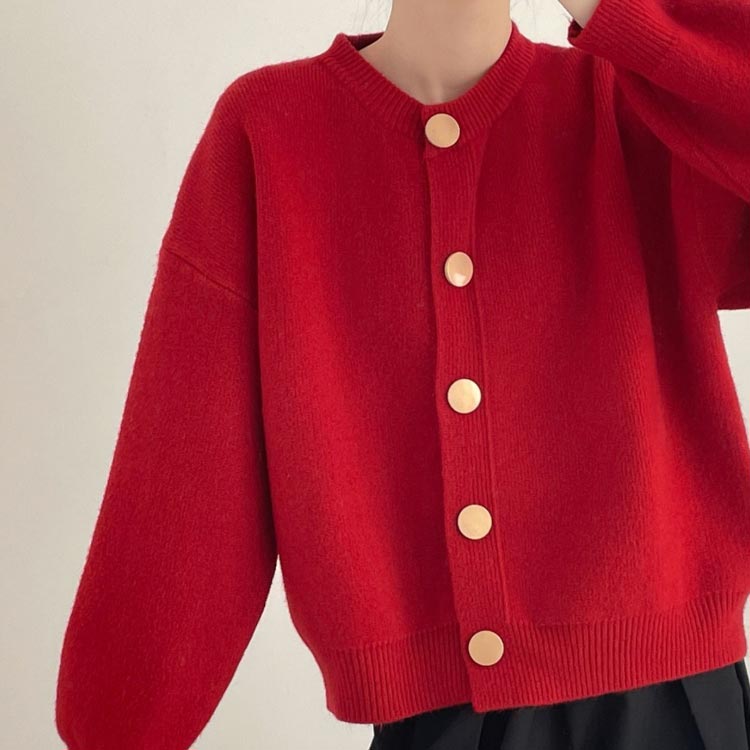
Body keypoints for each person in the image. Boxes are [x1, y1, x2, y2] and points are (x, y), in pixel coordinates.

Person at [55, 0, 750, 748]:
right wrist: (119, 723)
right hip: (441, 724)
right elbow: (193, 467)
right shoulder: (270, 130)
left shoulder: (635, 107)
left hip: (675, 704)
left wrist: (619, 9)